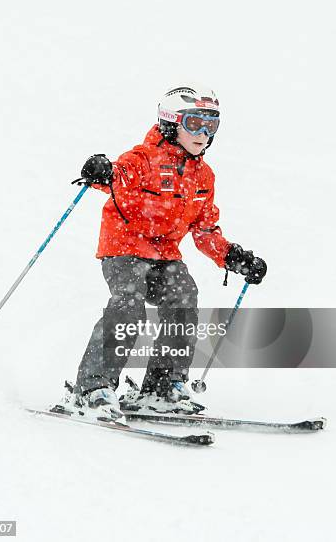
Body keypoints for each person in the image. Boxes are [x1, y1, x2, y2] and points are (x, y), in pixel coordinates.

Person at [62, 84, 267, 421]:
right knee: (129, 307)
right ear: (172, 123)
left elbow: (204, 229)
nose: (203, 134)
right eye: (194, 124)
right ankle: (92, 387)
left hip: (164, 254)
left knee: (184, 297)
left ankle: (162, 387)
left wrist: (233, 257)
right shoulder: (144, 158)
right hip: (124, 247)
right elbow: (117, 176)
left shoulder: (204, 175)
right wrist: (102, 170)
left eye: (211, 125)